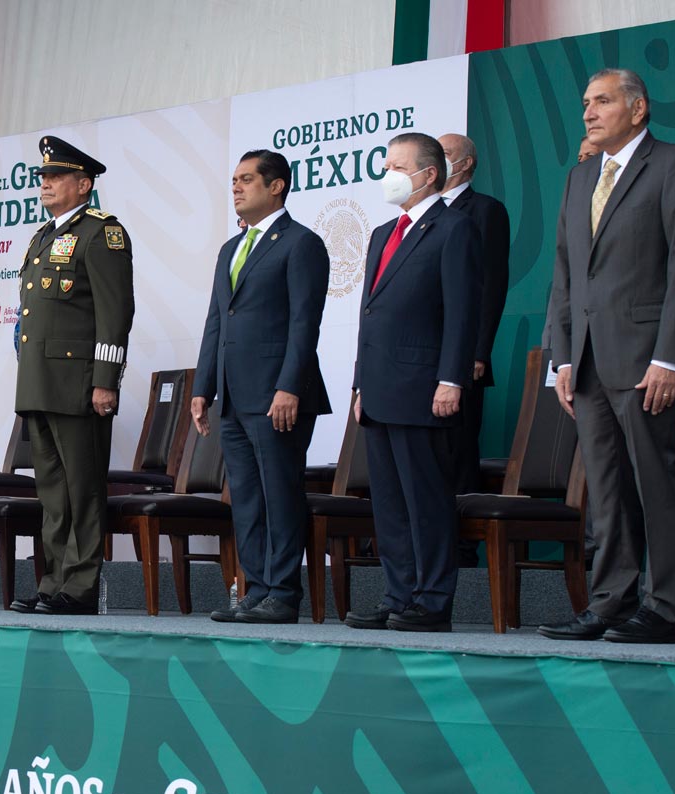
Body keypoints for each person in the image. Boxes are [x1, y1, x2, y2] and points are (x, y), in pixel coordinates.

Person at [539, 68, 675, 645]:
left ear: (638, 109)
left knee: (654, 482)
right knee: (606, 488)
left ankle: (663, 609)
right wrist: (562, 358)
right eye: (586, 102)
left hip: (646, 360)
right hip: (587, 361)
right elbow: (565, 273)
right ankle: (611, 602)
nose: (588, 112)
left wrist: (670, 358)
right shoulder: (580, 176)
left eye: (603, 101)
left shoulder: (674, 164)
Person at [347, 132, 480, 633]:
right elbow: (370, 313)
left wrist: (451, 379)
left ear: (428, 174)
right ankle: (398, 595)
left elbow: (462, 312)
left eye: (398, 168)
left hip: (424, 388)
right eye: (386, 167)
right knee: (389, 503)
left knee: (426, 500)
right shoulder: (383, 233)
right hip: (379, 389)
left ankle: (432, 600)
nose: (389, 176)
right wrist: (360, 385)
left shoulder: (454, 228)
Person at [192, 149, 329, 624]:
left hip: (277, 396)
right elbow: (216, 321)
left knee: (279, 495)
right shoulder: (230, 249)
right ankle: (257, 589)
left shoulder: (301, 243)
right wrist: (203, 387)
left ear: (276, 186)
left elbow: (304, 323)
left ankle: (284, 594)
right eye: (234, 179)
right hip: (233, 396)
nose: (236, 186)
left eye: (246, 179)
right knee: (247, 500)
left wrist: (289, 386)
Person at [9, 136, 135, 616]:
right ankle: (53, 582)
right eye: (43, 177)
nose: (46, 183)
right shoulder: (43, 236)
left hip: (79, 382)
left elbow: (114, 312)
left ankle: (79, 588)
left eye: (56, 176)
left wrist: (105, 379)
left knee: (82, 489)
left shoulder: (102, 233)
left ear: (84, 185)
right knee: (53, 493)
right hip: (40, 381)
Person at [438, 132, 511, 566]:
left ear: (465, 164)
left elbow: (491, 284)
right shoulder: (422, 214)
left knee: (460, 450)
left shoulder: (485, 210)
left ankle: (462, 547)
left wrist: (478, 351)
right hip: (423, 356)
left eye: (445, 154)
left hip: (464, 356)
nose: (438, 159)